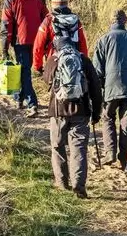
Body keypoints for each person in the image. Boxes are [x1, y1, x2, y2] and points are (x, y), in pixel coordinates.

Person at [43, 37, 103, 199]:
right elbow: (96, 89)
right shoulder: (83, 60)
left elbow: (46, 80)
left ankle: (62, 183)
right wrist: (96, 113)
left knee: (57, 146)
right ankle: (79, 185)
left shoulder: (53, 60)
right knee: (79, 150)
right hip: (81, 111)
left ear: (57, 47)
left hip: (57, 112)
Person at [93, 10, 127, 168]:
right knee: (126, 124)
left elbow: (97, 70)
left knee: (107, 118)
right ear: (125, 21)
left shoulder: (103, 40)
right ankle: (123, 158)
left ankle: (110, 152)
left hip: (110, 88)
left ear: (110, 22)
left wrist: (98, 91)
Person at [0, 0, 48, 117]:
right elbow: (47, 19)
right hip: (37, 41)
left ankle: (32, 103)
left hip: (20, 41)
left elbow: (6, 24)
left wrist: (5, 46)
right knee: (24, 70)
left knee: (24, 72)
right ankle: (19, 98)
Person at [32, 0, 88, 74]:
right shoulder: (75, 20)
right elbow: (82, 43)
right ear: (66, 5)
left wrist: (37, 66)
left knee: (52, 84)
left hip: (54, 60)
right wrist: (84, 61)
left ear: (53, 6)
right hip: (75, 60)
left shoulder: (48, 20)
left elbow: (38, 45)